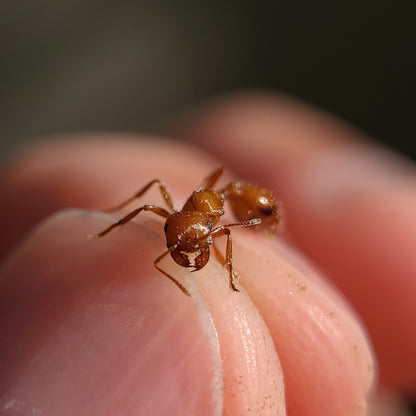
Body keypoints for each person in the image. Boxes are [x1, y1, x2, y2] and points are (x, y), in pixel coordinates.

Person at [0, 93, 414, 415]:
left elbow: (222, 232)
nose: (185, 252)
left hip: (247, 205)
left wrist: (229, 272)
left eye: (192, 244)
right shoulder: (181, 211)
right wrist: (117, 222)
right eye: (185, 244)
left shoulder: (219, 221)